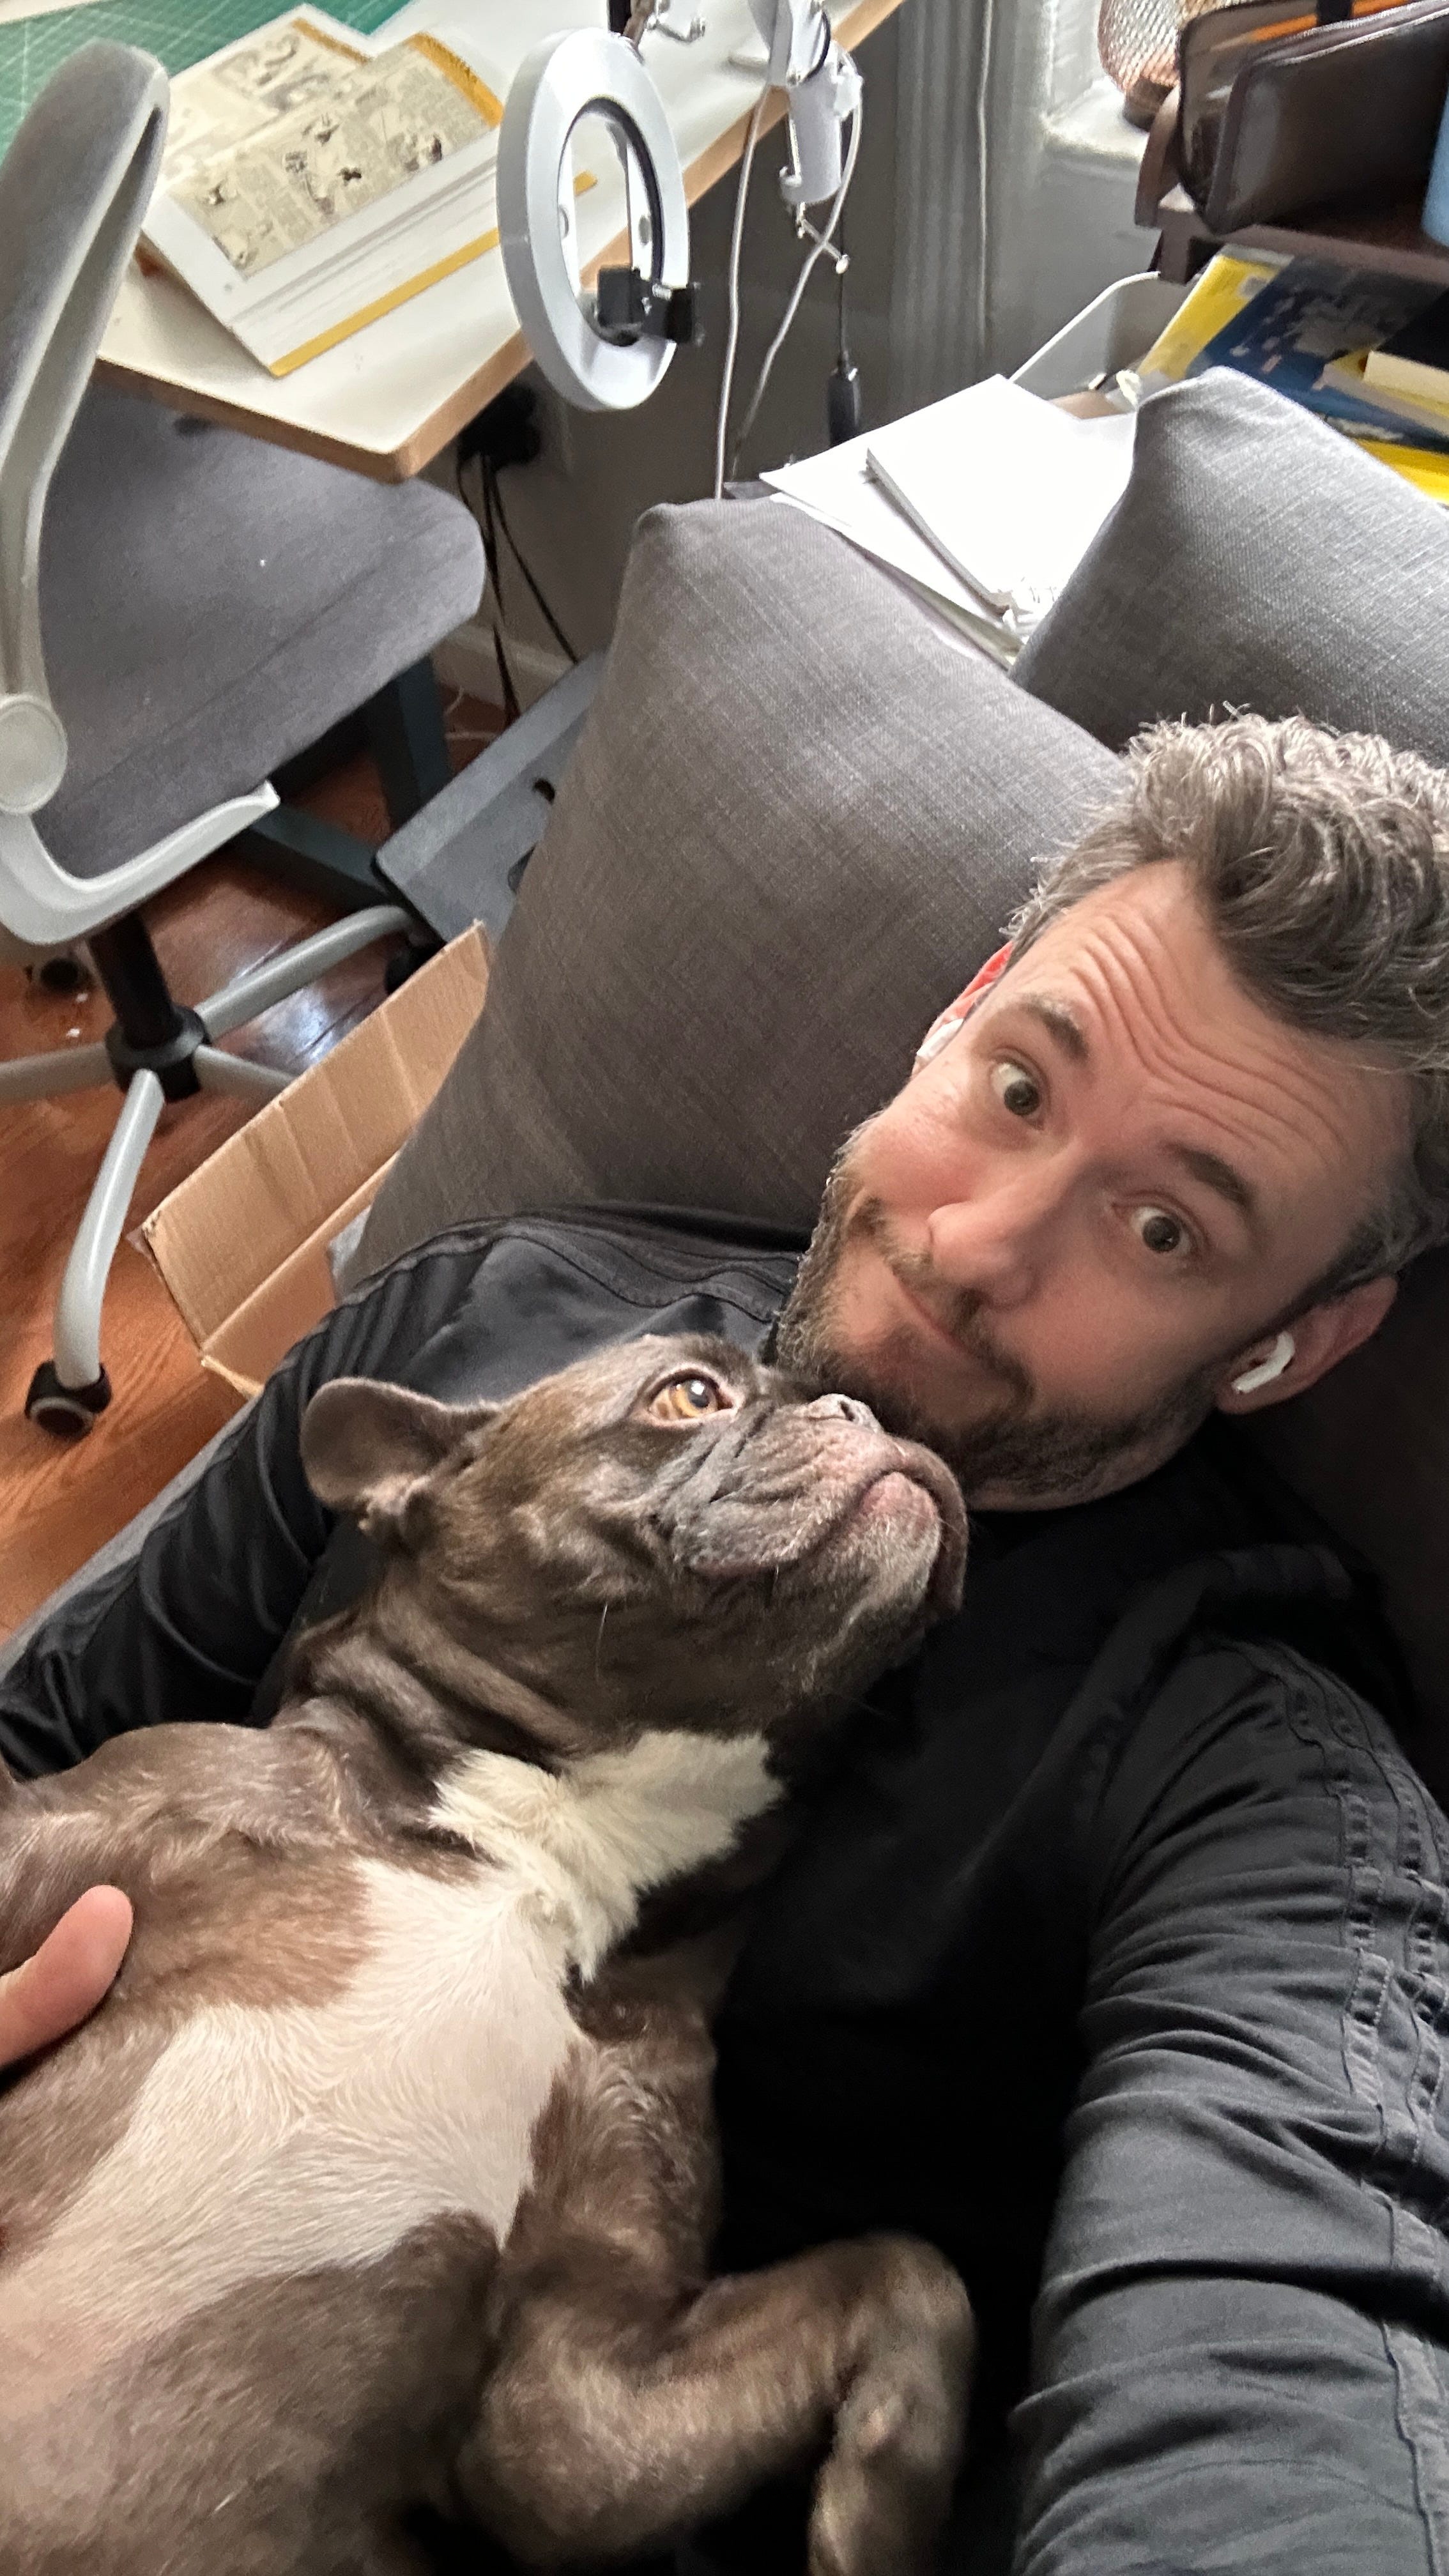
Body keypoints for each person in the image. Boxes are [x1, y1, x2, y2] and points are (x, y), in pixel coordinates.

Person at [5, 711, 1449, 2572]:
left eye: (1163, 1229)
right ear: (961, 1007)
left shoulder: (1254, 1783)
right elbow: (46, 1729)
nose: (979, 1246)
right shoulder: (492, 1314)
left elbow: (1289, 2382)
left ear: (1289, 1342)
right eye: (1020, 1088)